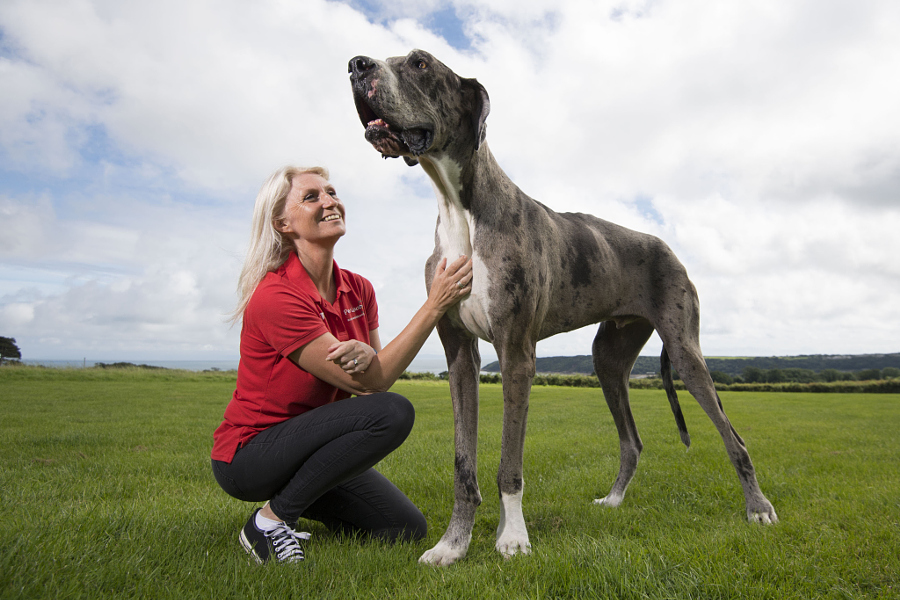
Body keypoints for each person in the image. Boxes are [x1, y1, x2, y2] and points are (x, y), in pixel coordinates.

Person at [211, 166, 473, 563]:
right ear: (283, 223)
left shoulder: (359, 288)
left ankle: (292, 504)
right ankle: (269, 522)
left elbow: (373, 372)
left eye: (331, 192)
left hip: (312, 449)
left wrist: (369, 357)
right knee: (392, 411)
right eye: (312, 197)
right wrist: (435, 304)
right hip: (250, 455)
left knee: (403, 528)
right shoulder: (276, 296)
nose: (331, 202)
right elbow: (378, 384)